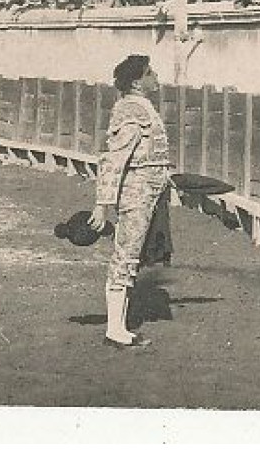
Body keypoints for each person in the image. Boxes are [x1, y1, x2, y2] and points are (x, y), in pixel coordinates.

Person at [89, 54, 173, 348]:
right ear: (138, 81)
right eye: (151, 72)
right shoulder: (132, 111)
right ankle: (114, 329)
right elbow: (114, 160)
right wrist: (102, 204)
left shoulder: (139, 107)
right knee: (125, 256)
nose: (156, 76)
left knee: (131, 256)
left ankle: (119, 326)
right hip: (137, 192)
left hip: (148, 190)